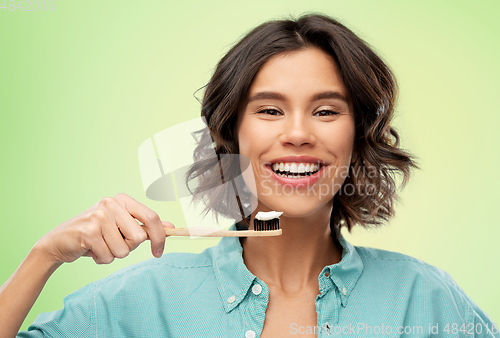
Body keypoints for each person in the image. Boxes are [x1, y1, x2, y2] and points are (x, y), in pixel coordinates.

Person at [1, 13, 497, 338]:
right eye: (269, 111)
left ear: (357, 135)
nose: (299, 133)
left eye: (326, 111)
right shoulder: (140, 304)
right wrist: (44, 255)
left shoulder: (423, 300)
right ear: (231, 134)